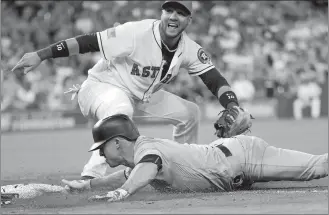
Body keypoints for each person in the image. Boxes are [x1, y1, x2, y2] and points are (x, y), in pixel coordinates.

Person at [11, 1, 250, 180]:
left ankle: (180, 171)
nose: (173, 16)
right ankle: (91, 177)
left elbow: (214, 78)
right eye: (169, 11)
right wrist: (41, 55)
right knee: (121, 108)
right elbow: (88, 41)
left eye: (180, 12)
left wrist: (232, 105)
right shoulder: (136, 32)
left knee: (190, 113)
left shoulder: (188, 48)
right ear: (162, 13)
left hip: (140, 97)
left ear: (189, 19)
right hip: (101, 87)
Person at [62, 114, 328, 202]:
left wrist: (123, 193)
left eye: (102, 146)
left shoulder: (147, 154)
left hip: (245, 158)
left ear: (118, 142)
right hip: (226, 159)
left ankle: (234, 135)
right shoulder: (141, 154)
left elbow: (146, 170)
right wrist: (88, 185)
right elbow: (133, 173)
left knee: (317, 167)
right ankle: (230, 133)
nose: (98, 152)